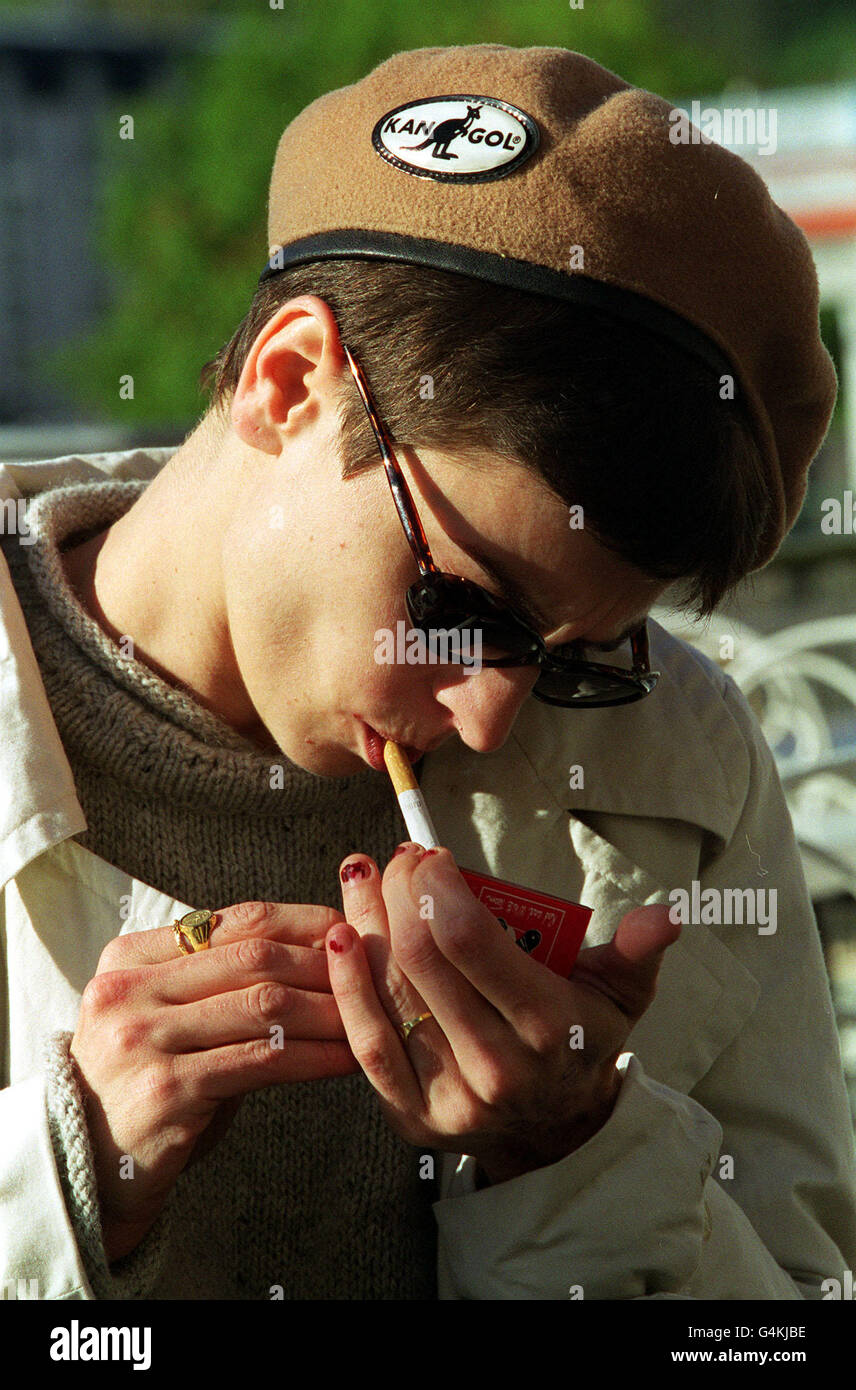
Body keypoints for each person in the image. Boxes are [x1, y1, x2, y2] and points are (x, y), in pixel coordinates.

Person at [1, 43, 854, 1302]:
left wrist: (570, 1160)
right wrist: (66, 1177)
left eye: (583, 660)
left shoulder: (682, 764)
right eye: (461, 607)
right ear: (288, 383)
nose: (488, 709)